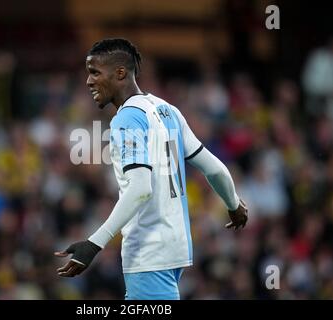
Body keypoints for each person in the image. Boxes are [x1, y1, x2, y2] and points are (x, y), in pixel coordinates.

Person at [55, 38, 248, 300]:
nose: (88, 81)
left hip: (149, 252)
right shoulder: (167, 110)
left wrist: (94, 243)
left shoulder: (126, 119)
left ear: (120, 73)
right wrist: (233, 204)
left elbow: (140, 188)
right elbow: (215, 169)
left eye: (95, 72)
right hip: (176, 248)